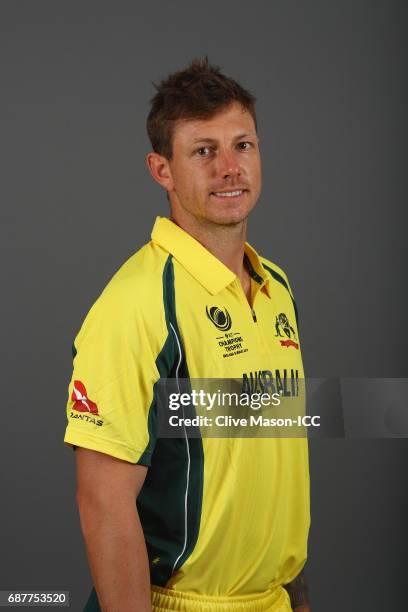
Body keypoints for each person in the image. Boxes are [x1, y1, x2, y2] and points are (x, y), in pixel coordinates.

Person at [64, 57, 311, 612]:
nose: (230, 168)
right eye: (204, 151)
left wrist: (293, 594)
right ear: (163, 170)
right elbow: (102, 502)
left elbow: (273, 463)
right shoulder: (136, 303)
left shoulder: (277, 290)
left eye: (242, 145)